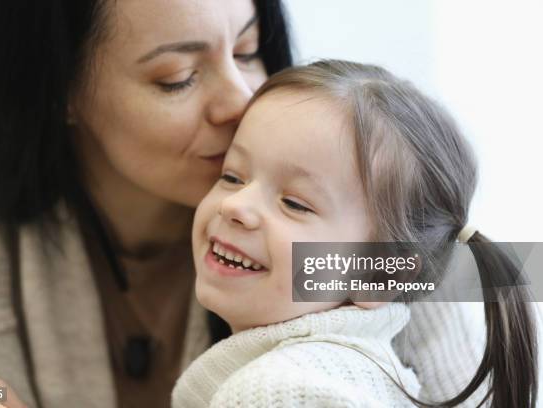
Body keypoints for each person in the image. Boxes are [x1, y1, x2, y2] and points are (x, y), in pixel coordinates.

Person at [0, 1, 487, 407]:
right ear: (58, 92)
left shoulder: (375, 220)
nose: (242, 100)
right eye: (178, 78)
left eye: (248, 50)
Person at [172, 60, 538, 407]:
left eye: (295, 204)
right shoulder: (351, 372)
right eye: (232, 176)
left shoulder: (275, 391)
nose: (234, 206)